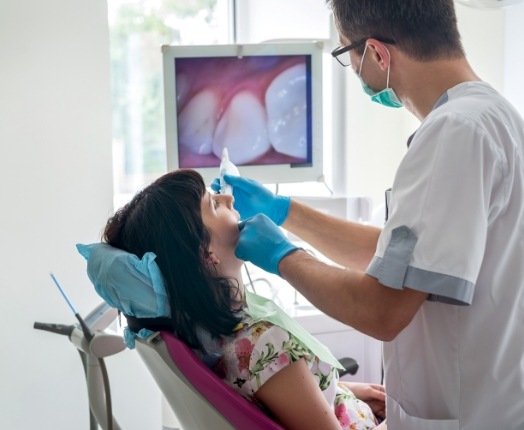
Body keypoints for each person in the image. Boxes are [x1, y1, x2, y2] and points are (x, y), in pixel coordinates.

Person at [218, 1, 524, 429]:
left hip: (469, 413)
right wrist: (285, 212)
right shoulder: (494, 117)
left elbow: (382, 310)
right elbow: (403, 262)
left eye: (348, 55)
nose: (355, 72)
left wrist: (283, 256)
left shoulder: (455, 132)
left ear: (378, 54)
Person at [101, 169, 386, 430]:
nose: (227, 197)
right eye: (213, 203)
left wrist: (342, 391)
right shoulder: (263, 344)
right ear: (206, 254)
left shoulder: (213, 339)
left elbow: (281, 397)